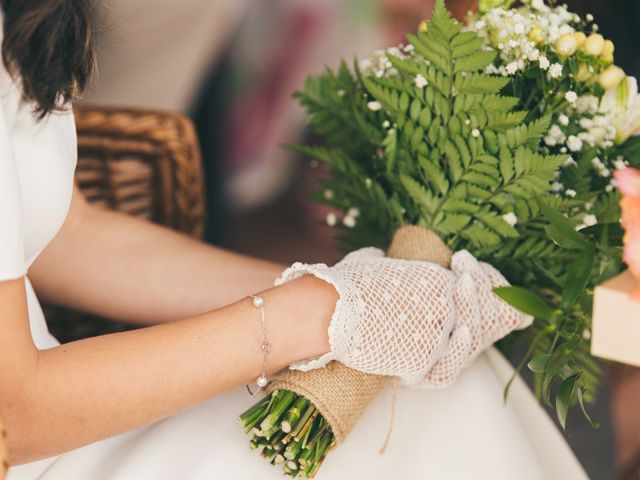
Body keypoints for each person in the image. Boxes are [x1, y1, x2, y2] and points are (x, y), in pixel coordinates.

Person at [0, 2, 586, 479]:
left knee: (442, 390)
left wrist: (363, 292)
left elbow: (67, 240)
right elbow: (12, 419)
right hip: (43, 442)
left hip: (67, 421)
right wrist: (315, 314)